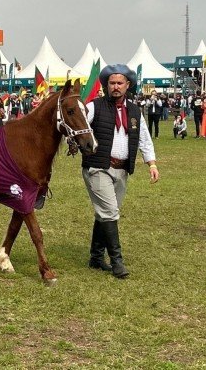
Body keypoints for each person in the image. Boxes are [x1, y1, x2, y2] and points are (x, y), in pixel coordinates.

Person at [81, 64, 159, 278]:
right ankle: (117, 261)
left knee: (105, 213)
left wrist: (151, 163)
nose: (115, 87)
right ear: (106, 85)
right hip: (98, 167)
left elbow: (144, 138)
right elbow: (79, 126)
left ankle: (96, 258)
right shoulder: (94, 106)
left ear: (128, 85)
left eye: (119, 83)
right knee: (110, 212)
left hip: (122, 169)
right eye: (111, 83)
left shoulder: (135, 110)